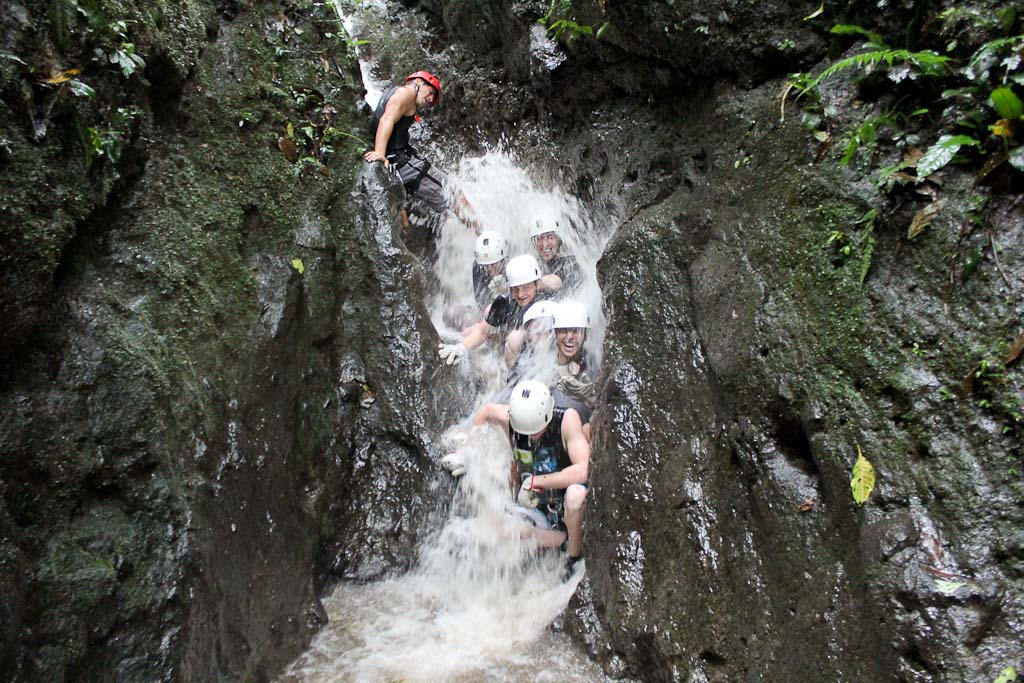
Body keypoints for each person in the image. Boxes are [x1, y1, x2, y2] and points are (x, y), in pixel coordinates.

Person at [454, 380, 589, 576]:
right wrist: (466, 453)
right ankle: (558, 539)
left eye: (536, 430)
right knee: (490, 530)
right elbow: (487, 411)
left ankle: (573, 555)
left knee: (575, 495)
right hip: (536, 509)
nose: (531, 436)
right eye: (527, 431)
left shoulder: (567, 420)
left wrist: (538, 482)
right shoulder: (513, 417)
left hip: (568, 508)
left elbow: (583, 469)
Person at [364, 71, 477, 230]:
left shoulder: (395, 93)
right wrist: (380, 154)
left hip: (398, 167)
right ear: (418, 82)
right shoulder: (407, 93)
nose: (430, 99)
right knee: (454, 194)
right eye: (430, 92)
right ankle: (486, 237)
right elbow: (386, 119)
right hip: (406, 164)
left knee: (448, 203)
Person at [438, 254, 550, 366]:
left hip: (546, 350)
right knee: (512, 338)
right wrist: (461, 348)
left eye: (526, 287)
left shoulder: (547, 297)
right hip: (517, 351)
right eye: (515, 289)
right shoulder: (504, 303)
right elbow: (482, 332)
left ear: (537, 284)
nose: (520, 294)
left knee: (517, 337)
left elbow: (556, 281)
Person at [443, 230, 509, 331]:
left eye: (494, 264)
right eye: (486, 266)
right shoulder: (478, 267)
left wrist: (504, 292)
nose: (490, 269)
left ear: (503, 259)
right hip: (487, 312)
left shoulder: (512, 267)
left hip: (508, 318)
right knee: (451, 313)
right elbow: (481, 302)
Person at [551, 301, 598, 426]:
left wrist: (591, 400)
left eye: (576, 331)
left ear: (586, 335)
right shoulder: (542, 364)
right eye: (563, 330)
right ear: (555, 333)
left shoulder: (595, 366)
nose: (569, 337)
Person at [530, 216, 582, 293]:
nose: (545, 244)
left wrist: (529, 286)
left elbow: (558, 281)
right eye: (539, 238)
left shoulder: (571, 262)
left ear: (558, 239)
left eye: (550, 237)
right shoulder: (534, 265)